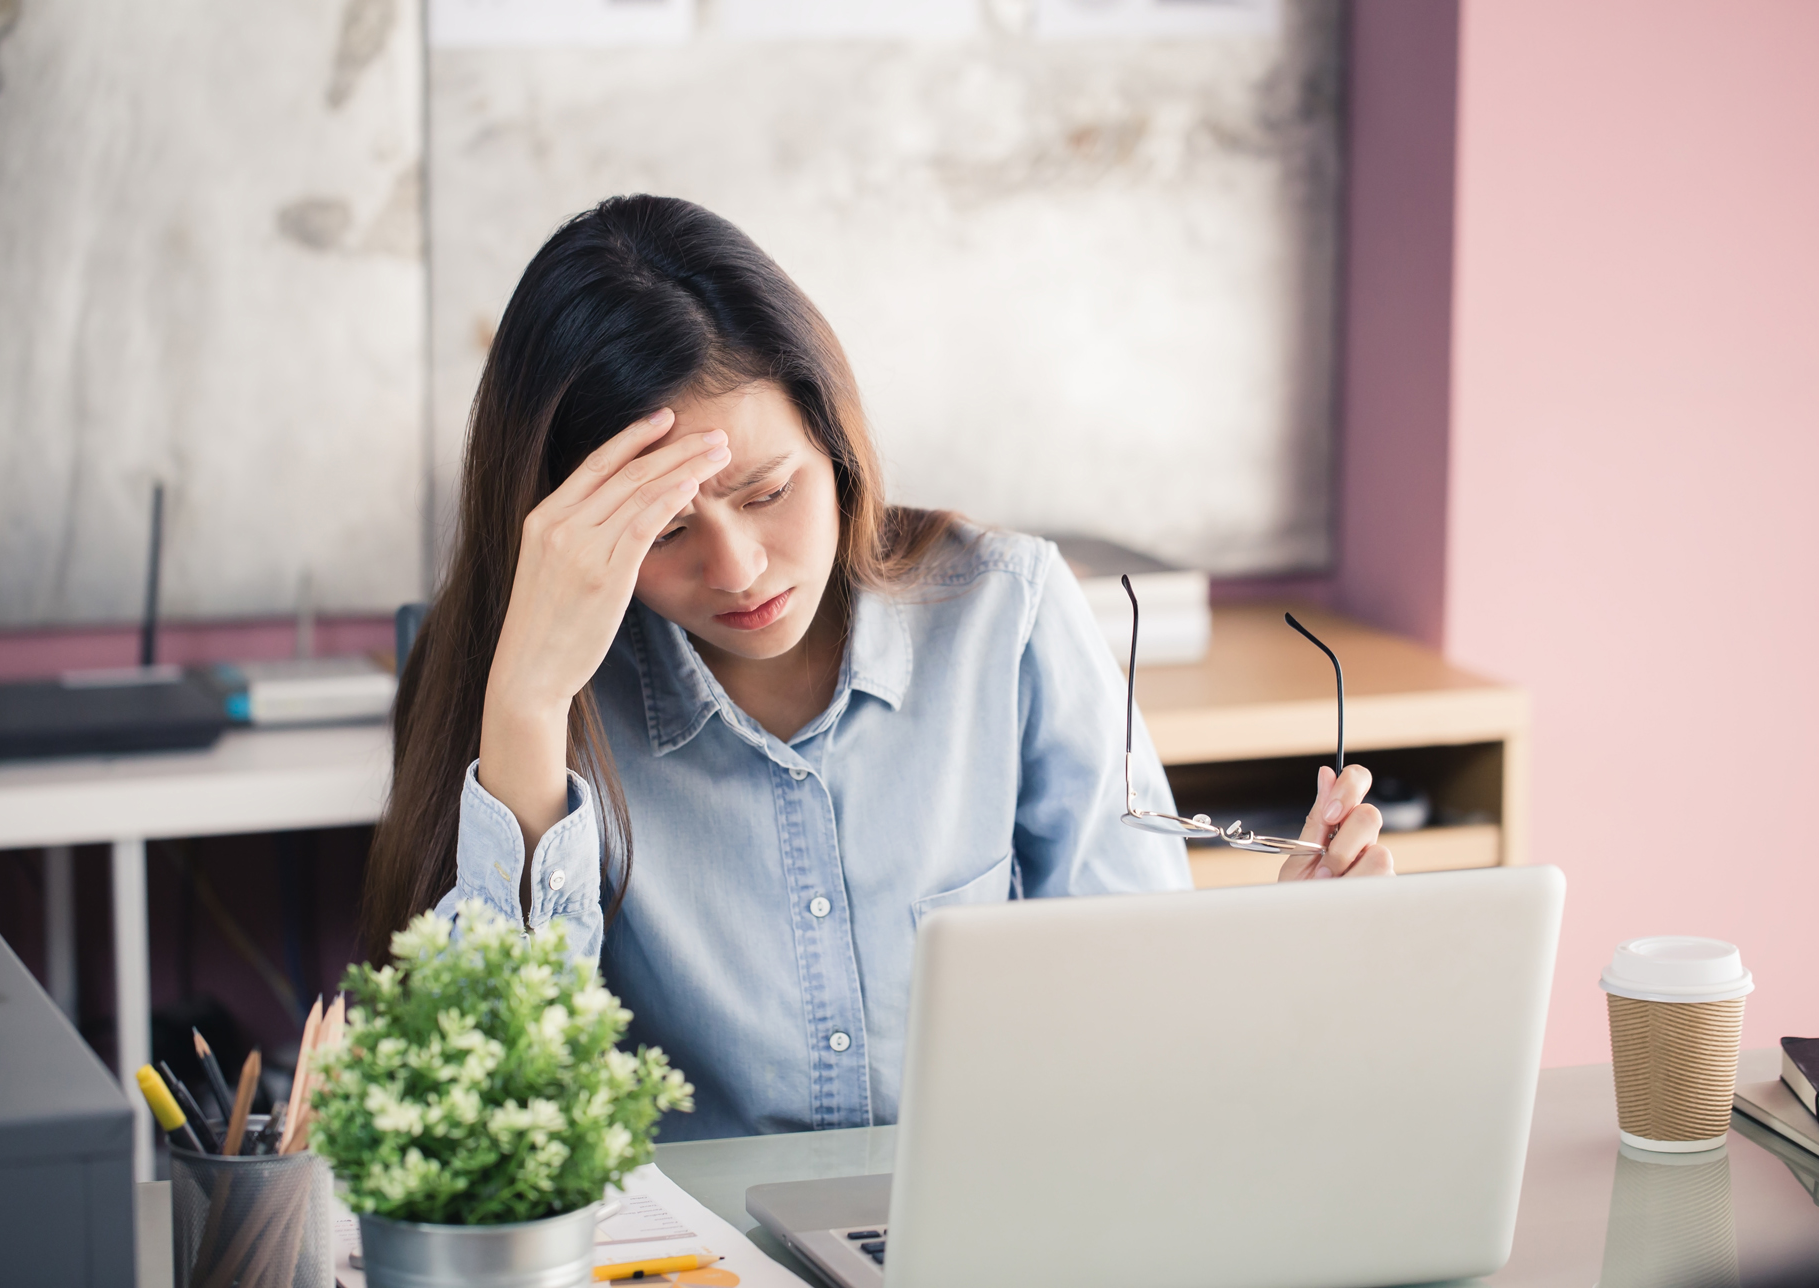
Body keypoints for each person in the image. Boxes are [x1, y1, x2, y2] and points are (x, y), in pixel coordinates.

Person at [362, 195, 1393, 1141]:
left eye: (767, 490)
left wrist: (1279, 956)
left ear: (835, 439)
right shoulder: (531, 691)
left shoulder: (1006, 610)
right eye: (663, 528)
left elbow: (1147, 1031)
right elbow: (485, 1125)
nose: (738, 567)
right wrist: (530, 703)